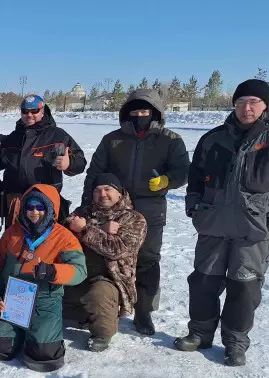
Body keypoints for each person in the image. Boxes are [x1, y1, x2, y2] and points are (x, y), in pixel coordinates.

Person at [175, 79, 269, 366]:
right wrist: (194, 207)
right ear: (234, 104)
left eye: (253, 102)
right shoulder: (213, 139)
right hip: (213, 225)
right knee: (203, 282)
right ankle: (199, 333)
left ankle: (235, 343)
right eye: (241, 102)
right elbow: (195, 178)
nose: (247, 108)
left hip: (254, 230)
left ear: (265, 105)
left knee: (244, 288)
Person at [78, 89, 189, 336]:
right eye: (135, 111)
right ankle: (105, 303)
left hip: (151, 207)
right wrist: (87, 205)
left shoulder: (170, 139)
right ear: (126, 113)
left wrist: (166, 180)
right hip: (113, 208)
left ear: (156, 113)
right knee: (107, 254)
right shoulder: (112, 139)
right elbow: (95, 173)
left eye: (145, 111)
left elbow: (183, 170)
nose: (140, 115)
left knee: (147, 258)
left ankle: (143, 311)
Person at [0, 184, 87, 372]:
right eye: (30, 207)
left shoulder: (64, 237)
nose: (34, 212)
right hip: (13, 298)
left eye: (40, 207)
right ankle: (17, 333)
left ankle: (35, 333)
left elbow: (79, 271)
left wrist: (53, 271)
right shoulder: (12, 233)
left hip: (44, 299)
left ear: (50, 209)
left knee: (43, 354)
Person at [64, 174, 147, 352]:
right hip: (78, 271)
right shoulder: (82, 211)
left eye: (107, 189)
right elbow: (64, 231)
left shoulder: (133, 218)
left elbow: (117, 249)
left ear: (119, 193)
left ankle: (102, 333)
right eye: (97, 190)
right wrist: (101, 229)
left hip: (109, 278)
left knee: (99, 294)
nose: (102, 194)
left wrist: (85, 229)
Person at [0, 94, 86, 226]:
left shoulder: (57, 135)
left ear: (42, 111)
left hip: (45, 201)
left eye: (34, 111)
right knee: (14, 242)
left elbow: (80, 162)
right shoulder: (13, 137)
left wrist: (69, 164)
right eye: (25, 111)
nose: (29, 115)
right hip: (17, 201)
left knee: (45, 242)